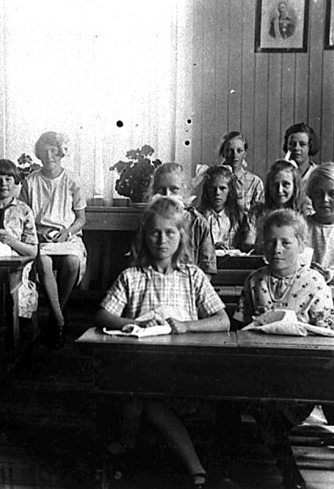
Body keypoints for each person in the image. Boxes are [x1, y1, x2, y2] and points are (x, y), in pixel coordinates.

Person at [94, 196, 230, 489]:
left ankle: (131, 447)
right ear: (144, 237)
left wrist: (187, 326)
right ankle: (193, 471)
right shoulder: (133, 276)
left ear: (181, 236)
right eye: (155, 233)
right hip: (141, 367)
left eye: (170, 233)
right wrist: (132, 322)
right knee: (139, 398)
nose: (162, 240)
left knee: (147, 402)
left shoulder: (192, 276)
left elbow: (222, 320)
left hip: (184, 371)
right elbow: (103, 315)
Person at [234, 209, 334, 489]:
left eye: (286, 242)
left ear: (300, 244)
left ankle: (287, 471)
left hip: (302, 374)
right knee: (259, 401)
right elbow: (238, 329)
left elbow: (328, 337)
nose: (276, 249)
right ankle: (288, 473)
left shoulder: (314, 283)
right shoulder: (255, 280)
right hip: (260, 372)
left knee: (268, 409)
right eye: (270, 242)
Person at [20, 131, 87, 349]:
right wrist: (35, 232)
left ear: (61, 153)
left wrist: (67, 232)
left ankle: (54, 314)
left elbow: (81, 219)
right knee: (43, 261)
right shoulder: (31, 181)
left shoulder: (72, 180)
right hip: (40, 236)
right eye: (44, 151)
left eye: (53, 151)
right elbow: (23, 215)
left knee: (72, 261)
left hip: (67, 236)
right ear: (38, 154)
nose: (49, 155)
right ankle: (59, 319)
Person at [149, 162, 216, 275]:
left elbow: (207, 269)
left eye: (174, 189)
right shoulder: (147, 222)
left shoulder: (198, 223)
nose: (167, 195)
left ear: (185, 191)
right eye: (161, 189)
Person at [247, 160, 304, 249]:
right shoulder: (258, 212)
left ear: (295, 186)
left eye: (286, 184)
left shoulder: (303, 212)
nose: (280, 190)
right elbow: (248, 242)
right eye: (274, 185)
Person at [196, 165, 252, 251]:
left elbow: (244, 247)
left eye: (222, 188)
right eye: (213, 188)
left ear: (229, 190)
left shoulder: (239, 216)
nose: (217, 193)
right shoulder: (198, 216)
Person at [217, 131, 264, 212]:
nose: (235, 155)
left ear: (245, 153)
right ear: (223, 152)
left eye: (239, 151)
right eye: (230, 151)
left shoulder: (254, 182)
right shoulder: (213, 179)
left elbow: (259, 213)